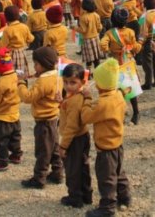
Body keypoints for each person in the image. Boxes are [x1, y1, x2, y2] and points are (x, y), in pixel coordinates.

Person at [81, 59, 132, 217]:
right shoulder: (118, 95)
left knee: (106, 178)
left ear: (100, 85)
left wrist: (87, 99)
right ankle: (125, 197)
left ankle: (107, 207)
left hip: (105, 148)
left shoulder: (103, 104)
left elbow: (86, 117)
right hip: (118, 144)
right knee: (119, 172)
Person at [18, 47, 63, 188]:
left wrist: (21, 83)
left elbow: (27, 97)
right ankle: (57, 173)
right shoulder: (57, 76)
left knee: (43, 151)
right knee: (54, 148)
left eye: (36, 64)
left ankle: (39, 178)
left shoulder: (43, 81)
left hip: (43, 120)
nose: (34, 67)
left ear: (43, 65)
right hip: (53, 117)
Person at [58, 64, 93, 209]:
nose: (68, 86)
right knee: (83, 166)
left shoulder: (74, 100)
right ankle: (86, 195)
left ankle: (75, 198)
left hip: (74, 139)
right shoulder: (77, 96)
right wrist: (61, 103)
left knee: (72, 170)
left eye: (72, 82)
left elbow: (71, 126)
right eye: (65, 82)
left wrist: (63, 146)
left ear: (82, 82)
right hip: (83, 136)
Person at [100, 8, 142, 124]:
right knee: (130, 87)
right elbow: (136, 48)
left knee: (117, 88)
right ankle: (136, 113)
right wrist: (138, 45)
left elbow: (102, 44)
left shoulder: (109, 33)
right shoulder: (130, 32)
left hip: (116, 62)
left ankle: (120, 112)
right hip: (128, 61)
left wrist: (109, 50)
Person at [0, 47, 23, 171]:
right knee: (15, 137)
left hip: (3, 116)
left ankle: (2, 161)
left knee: (1, 140)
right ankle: (16, 155)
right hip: (15, 114)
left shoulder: (1, 82)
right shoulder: (16, 76)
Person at [139, 0, 155, 90]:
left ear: (145, 5)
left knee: (147, 64)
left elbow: (143, 33)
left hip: (147, 42)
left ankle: (147, 83)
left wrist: (140, 43)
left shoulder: (145, 16)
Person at [78, 0, 103, 71]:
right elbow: (99, 28)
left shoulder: (83, 17)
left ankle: (88, 74)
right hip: (96, 38)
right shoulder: (96, 15)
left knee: (88, 60)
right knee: (96, 58)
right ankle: (98, 72)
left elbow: (83, 30)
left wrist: (75, 28)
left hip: (87, 40)